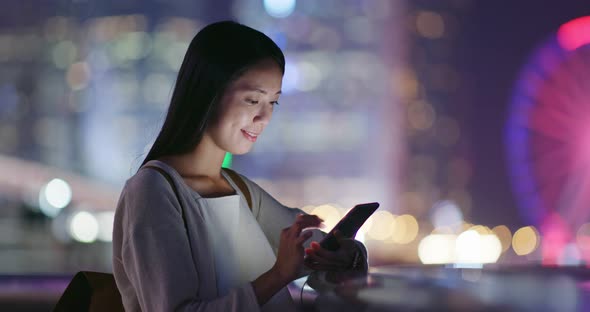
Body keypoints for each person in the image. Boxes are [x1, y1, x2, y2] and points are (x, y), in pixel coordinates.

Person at [112, 21, 368, 312]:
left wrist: (348, 254)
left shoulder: (240, 190)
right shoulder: (153, 190)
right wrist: (278, 276)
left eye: (273, 102)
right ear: (208, 91)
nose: (264, 117)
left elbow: (314, 250)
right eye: (253, 99)